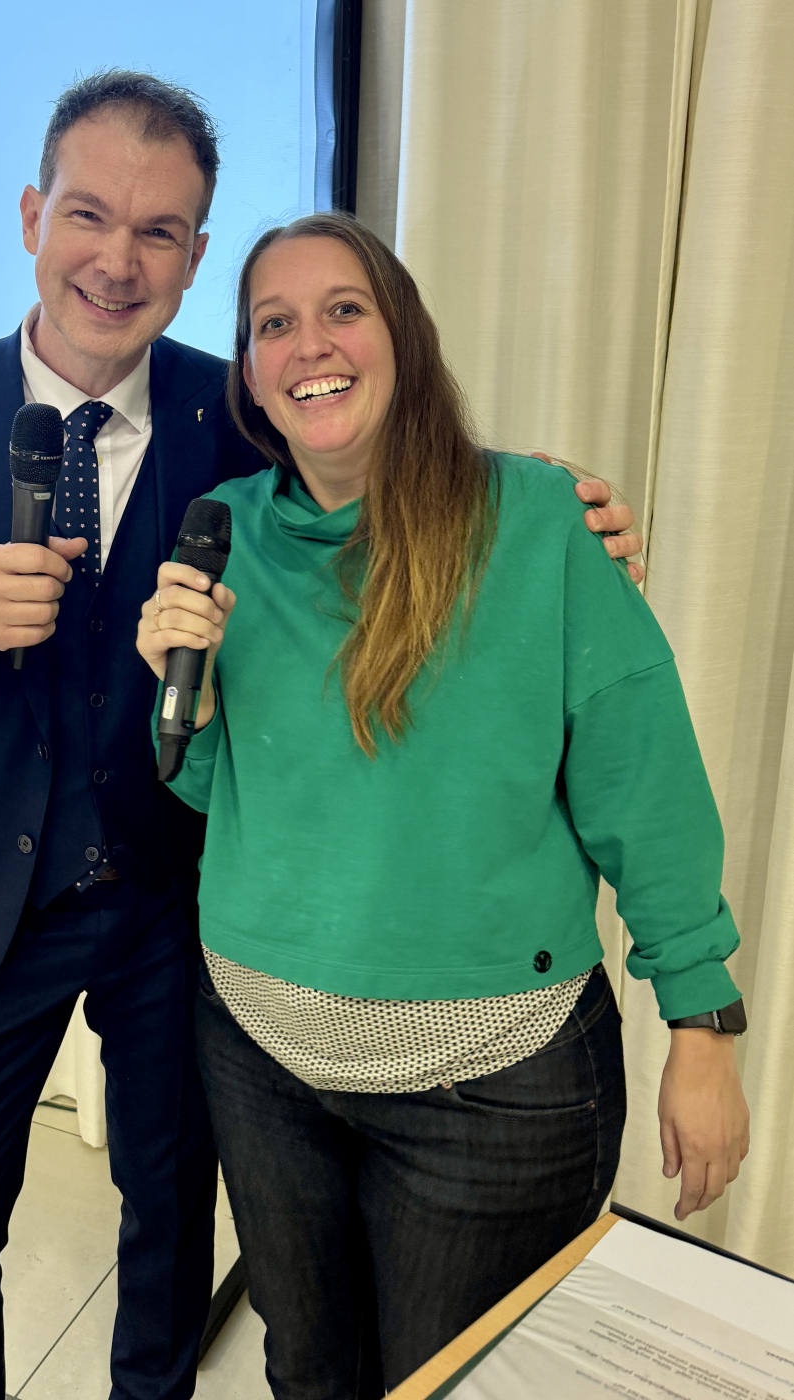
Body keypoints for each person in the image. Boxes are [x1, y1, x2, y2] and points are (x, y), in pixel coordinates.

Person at [0, 67, 638, 1400]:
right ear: (31, 215)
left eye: (159, 231)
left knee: (171, 1224)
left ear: (195, 256)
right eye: (88, 215)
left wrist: (542, 505)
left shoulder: (241, 411)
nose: (116, 261)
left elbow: (377, 474)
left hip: (183, 905)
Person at [136, 212, 751, 1398]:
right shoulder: (227, 532)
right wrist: (187, 703)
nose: (309, 343)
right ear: (251, 376)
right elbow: (220, 790)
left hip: (493, 1086)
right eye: (273, 323)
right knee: (307, 1371)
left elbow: (643, 782)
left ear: (403, 336)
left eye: (342, 309)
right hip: (263, 1064)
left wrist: (699, 1023)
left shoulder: (537, 521)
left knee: (449, 1383)